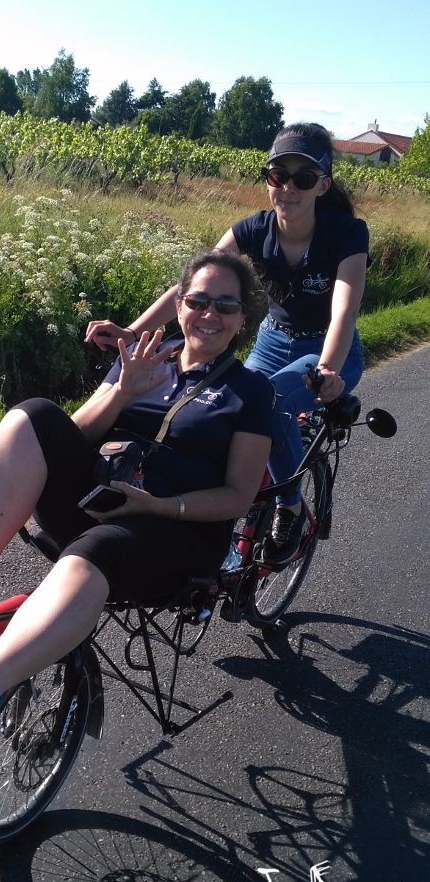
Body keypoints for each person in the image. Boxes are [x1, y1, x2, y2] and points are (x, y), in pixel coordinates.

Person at [0, 249, 274, 765]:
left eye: (225, 305)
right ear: (179, 305)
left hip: (178, 532)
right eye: (198, 300)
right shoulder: (143, 356)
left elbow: (237, 497)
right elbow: (76, 433)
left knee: (100, 549)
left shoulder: (251, 393)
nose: (210, 314)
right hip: (102, 503)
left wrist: (158, 506)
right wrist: (122, 391)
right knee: (36, 416)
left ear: (242, 318)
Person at [86, 122, 369, 568]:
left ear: (323, 185)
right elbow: (194, 283)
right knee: (232, 409)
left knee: (268, 404)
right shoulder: (253, 229)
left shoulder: (346, 233)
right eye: (279, 176)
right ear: (268, 180)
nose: (289, 188)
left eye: (304, 177)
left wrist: (329, 370)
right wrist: (132, 331)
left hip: (328, 349)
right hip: (273, 342)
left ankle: (290, 507)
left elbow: (344, 309)